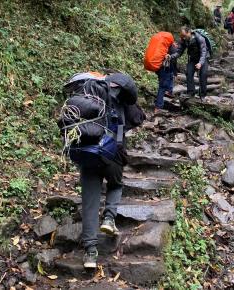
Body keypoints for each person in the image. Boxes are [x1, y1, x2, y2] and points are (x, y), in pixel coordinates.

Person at [61, 72, 145, 269]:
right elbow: (136, 118)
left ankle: (90, 253)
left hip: (86, 153)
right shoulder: (122, 99)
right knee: (116, 184)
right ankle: (109, 218)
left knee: (89, 202)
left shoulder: (88, 95)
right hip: (110, 152)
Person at [171, 26, 209, 100]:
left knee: (203, 75)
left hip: (203, 58)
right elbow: (179, 52)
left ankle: (203, 95)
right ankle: (191, 93)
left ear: (189, 32)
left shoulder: (200, 38)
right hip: (193, 59)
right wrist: (171, 56)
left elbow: (203, 52)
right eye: (182, 36)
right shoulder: (184, 40)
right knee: (188, 73)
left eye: (184, 36)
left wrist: (200, 63)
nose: (183, 38)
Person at [155, 42, 178, 113]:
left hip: (159, 68)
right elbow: (174, 62)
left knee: (166, 81)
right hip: (166, 69)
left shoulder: (162, 46)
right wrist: (175, 73)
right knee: (162, 87)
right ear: (175, 43)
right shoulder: (173, 48)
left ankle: (169, 92)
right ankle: (158, 107)